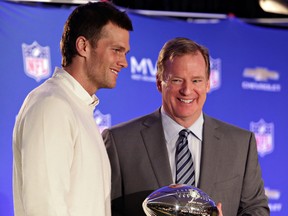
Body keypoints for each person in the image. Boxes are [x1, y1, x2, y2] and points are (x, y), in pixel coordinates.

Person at [102, 37, 270, 216]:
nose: (187, 90)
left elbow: (256, 209)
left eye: (196, 80)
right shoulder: (120, 142)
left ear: (208, 83)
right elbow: (103, 211)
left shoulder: (241, 144)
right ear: (159, 82)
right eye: (177, 80)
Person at [12, 2, 133, 216]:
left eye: (124, 52)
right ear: (83, 46)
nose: (123, 62)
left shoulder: (76, 107)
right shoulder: (52, 105)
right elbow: (45, 209)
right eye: (116, 50)